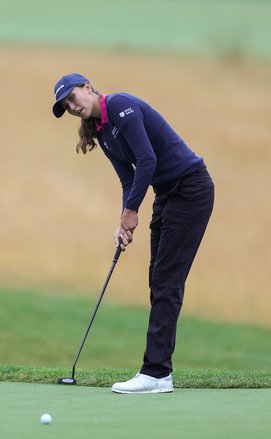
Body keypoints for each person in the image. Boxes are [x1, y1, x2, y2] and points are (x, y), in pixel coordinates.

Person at [52, 73, 214, 394]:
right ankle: (159, 372)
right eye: (66, 105)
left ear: (88, 87)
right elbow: (129, 180)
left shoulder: (121, 105)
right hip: (167, 194)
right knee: (158, 279)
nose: (72, 106)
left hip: (191, 189)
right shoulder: (101, 131)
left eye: (73, 97)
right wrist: (123, 220)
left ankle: (155, 373)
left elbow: (147, 159)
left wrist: (132, 211)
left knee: (167, 281)